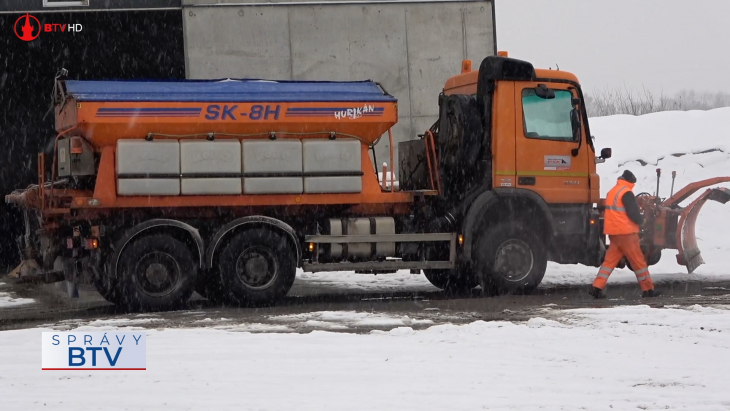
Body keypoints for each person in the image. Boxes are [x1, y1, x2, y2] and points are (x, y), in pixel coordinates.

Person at [589, 170, 661, 298]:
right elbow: (633, 213)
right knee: (639, 262)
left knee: (609, 263)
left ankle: (597, 288)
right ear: (630, 182)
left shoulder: (612, 191)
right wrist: (642, 221)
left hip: (614, 233)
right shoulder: (626, 192)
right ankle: (648, 290)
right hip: (627, 233)